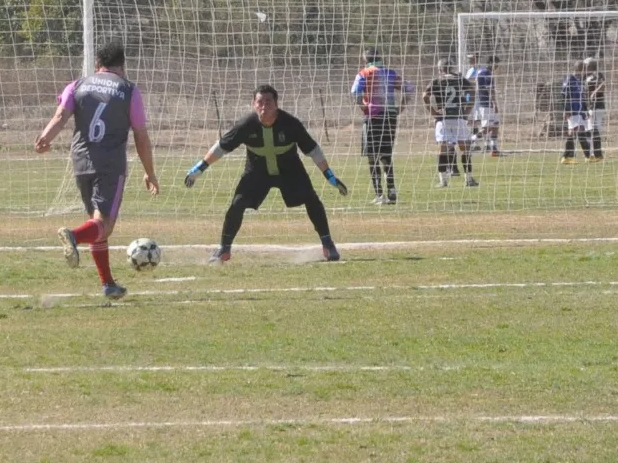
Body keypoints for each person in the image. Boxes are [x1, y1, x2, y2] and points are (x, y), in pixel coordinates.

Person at [34, 41, 159, 301]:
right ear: (122, 66)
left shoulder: (77, 85)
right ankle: (73, 236)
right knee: (104, 224)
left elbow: (60, 116)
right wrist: (149, 172)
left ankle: (108, 284)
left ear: (97, 64)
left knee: (96, 222)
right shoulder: (128, 90)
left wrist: (45, 138)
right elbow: (141, 135)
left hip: (80, 160)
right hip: (110, 163)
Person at [185, 84, 348, 264]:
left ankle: (328, 244)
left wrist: (329, 175)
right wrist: (200, 168)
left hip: (290, 170)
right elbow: (221, 147)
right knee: (237, 204)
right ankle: (224, 248)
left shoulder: (291, 123)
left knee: (312, 199)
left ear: (276, 104)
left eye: (268, 102)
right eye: (260, 102)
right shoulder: (246, 124)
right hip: (257, 172)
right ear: (253, 104)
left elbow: (313, 150)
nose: (264, 106)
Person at [350, 47, 409, 205]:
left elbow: (355, 92)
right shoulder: (391, 73)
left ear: (365, 59)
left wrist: (363, 107)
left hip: (373, 117)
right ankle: (392, 191)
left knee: (372, 156)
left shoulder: (363, 73)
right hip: (390, 117)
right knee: (386, 155)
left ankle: (379, 194)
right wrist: (401, 107)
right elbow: (409, 88)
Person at [422, 60, 478, 188]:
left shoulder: (437, 81)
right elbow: (472, 92)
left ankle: (443, 181)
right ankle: (469, 179)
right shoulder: (460, 80)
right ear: (451, 68)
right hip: (459, 117)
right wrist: (467, 110)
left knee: (442, 149)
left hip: (443, 119)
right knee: (464, 149)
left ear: (440, 69)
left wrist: (433, 111)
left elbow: (425, 96)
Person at [469, 55, 501, 156]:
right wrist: (495, 103)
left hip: (481, 102)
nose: (497, 66)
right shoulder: (487, 73)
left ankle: (494, 148)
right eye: (496, 64)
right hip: (487, 103)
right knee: (488, 128)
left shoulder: (480, 71)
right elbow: (490, 89)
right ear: (491, 63)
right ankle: (471, 140)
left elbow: (475, 85)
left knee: (495, 125)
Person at [560, 61, 591, 164]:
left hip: (580, 111)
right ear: (580, 69)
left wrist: (586, 110)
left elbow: (582, 97)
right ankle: (568, 157)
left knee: (578, 131)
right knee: (576, 131)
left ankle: (584, 156)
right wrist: (566, 110)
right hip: (572, 110)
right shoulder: (570, 79)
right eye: (585, 69)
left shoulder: (580, 81)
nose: (586, 71)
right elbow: (564, 96)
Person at [582, 57, 605, 162]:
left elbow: (603, 84)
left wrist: (595, 93)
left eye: (585, 65)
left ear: (590, 66)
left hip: (596, 106)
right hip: (589, 107)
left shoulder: (597, 74)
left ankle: (595, 154)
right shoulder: (586, 77)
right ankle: (592, 154)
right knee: (590, 129)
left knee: (593, 130)